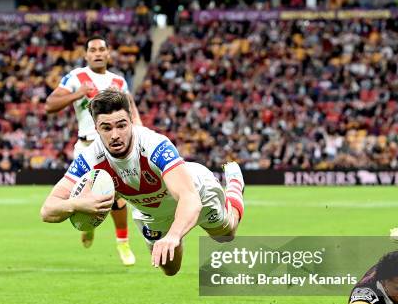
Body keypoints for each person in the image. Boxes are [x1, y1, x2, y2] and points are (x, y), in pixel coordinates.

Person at [41, 89, 245, 275]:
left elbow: (189, 198)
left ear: (130, 121)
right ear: (96, 128)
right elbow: (47, 210)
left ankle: (234, 187)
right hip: (151, 214)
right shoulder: (89, 159)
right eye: (106, 128)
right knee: (170, 268)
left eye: (121, 125)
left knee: (225, 235)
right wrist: (76, 204)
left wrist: (173, 235)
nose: (115, 135)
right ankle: (176, 233)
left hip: (198, 191)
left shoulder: (154, 145)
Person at [45, 35, 141, 266]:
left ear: (108, 54)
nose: (97, 53)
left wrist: (139, 131)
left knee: (117, 196)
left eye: (102, 49)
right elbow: (50, 105)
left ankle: (123, 242)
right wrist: (78, 93)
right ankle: (88, 226)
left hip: (115, 147)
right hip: (88, 146)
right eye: (93, 50)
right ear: (86, 55)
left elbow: (131, 110)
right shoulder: (76, 77)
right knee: (85, 196)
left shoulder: (118, 81)